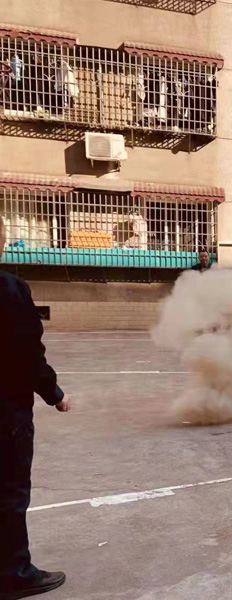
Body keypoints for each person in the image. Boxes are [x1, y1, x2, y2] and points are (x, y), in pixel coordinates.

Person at [0, 218, 70, 599]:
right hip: (6, 413)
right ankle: (15, 573)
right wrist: (54, 393)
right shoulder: (10, 289)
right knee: (10, 492)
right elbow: (28, 354)